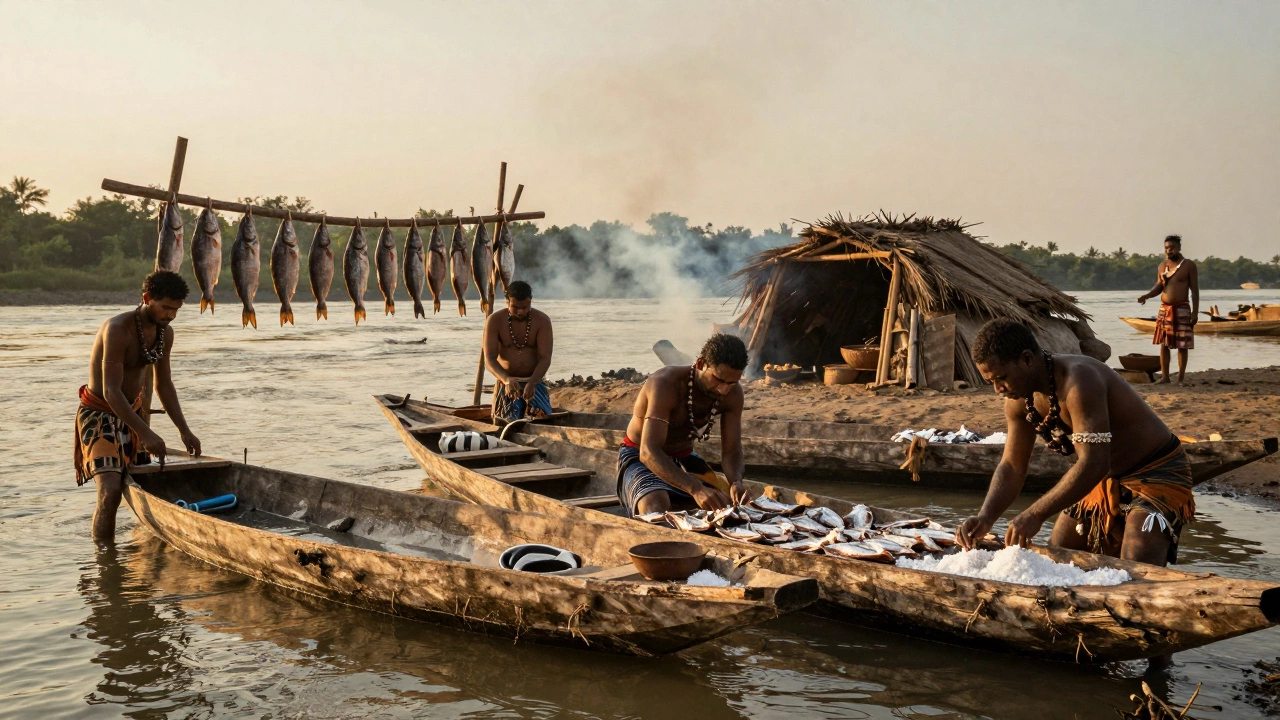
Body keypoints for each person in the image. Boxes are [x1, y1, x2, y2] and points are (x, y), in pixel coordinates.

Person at [955, 319, 1195, 571]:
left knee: (1136, 567)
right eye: (991, 381)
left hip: (1156, 473)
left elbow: (1095, 462)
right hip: (1103, 479)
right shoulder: (1018, 400)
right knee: (1055, 557)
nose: (997, 389)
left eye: (1001, 378)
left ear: (1027, 359)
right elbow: (1012, 466)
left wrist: (1035, 514)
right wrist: (986, 517)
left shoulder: (1079, 380)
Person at [77, 271, 201, 541]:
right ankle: (104, 563)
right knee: (109, 492)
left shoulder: (164, 334)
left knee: (145, 484)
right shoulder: (118, 329)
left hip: (133, 414)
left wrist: (184, 430)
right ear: (147, 298)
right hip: (100, 415)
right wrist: (146, 433)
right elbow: (111, 391)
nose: (170, 315)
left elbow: (164, 386)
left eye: (176, 309)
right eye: (165, 307)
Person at [617, 333, 750, 517]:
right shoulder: (665, 383)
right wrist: (695, 489)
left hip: (684, 458)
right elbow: (648, 452)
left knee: (726, 506)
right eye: (719, 380)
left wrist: (736, 481)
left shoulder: (733, 394)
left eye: (731, 382)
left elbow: (732, 451)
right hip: (640, 456)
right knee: (655, 505)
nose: (723, 389)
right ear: (700, 364)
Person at [483, 280, 553, 423]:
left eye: (524, 307)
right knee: (505, 422)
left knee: (544, 420)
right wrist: (506, 379)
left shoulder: (542, 321)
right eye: (515, 307)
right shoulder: (494, 321)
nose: (520, 311)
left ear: (530, 302)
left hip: (534, 381)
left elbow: (545, 358)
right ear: (507, 302)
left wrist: (533, 382)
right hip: (507, 382)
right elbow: (489, 359)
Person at [1137, 234, 1199, 383]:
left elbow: (1195, 290)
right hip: (1165, 309)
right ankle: (1165, 377)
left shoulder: (1189, 265)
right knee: (1164, 344)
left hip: (1182, 308)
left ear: (1179, 248)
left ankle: (1180, 378)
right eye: (1166, 248)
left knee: (1182, 345)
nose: (1168, 251)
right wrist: (1147, 296)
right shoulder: (1162, 266)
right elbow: (1159, 287)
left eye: (1171, 248)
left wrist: (1195, 312)